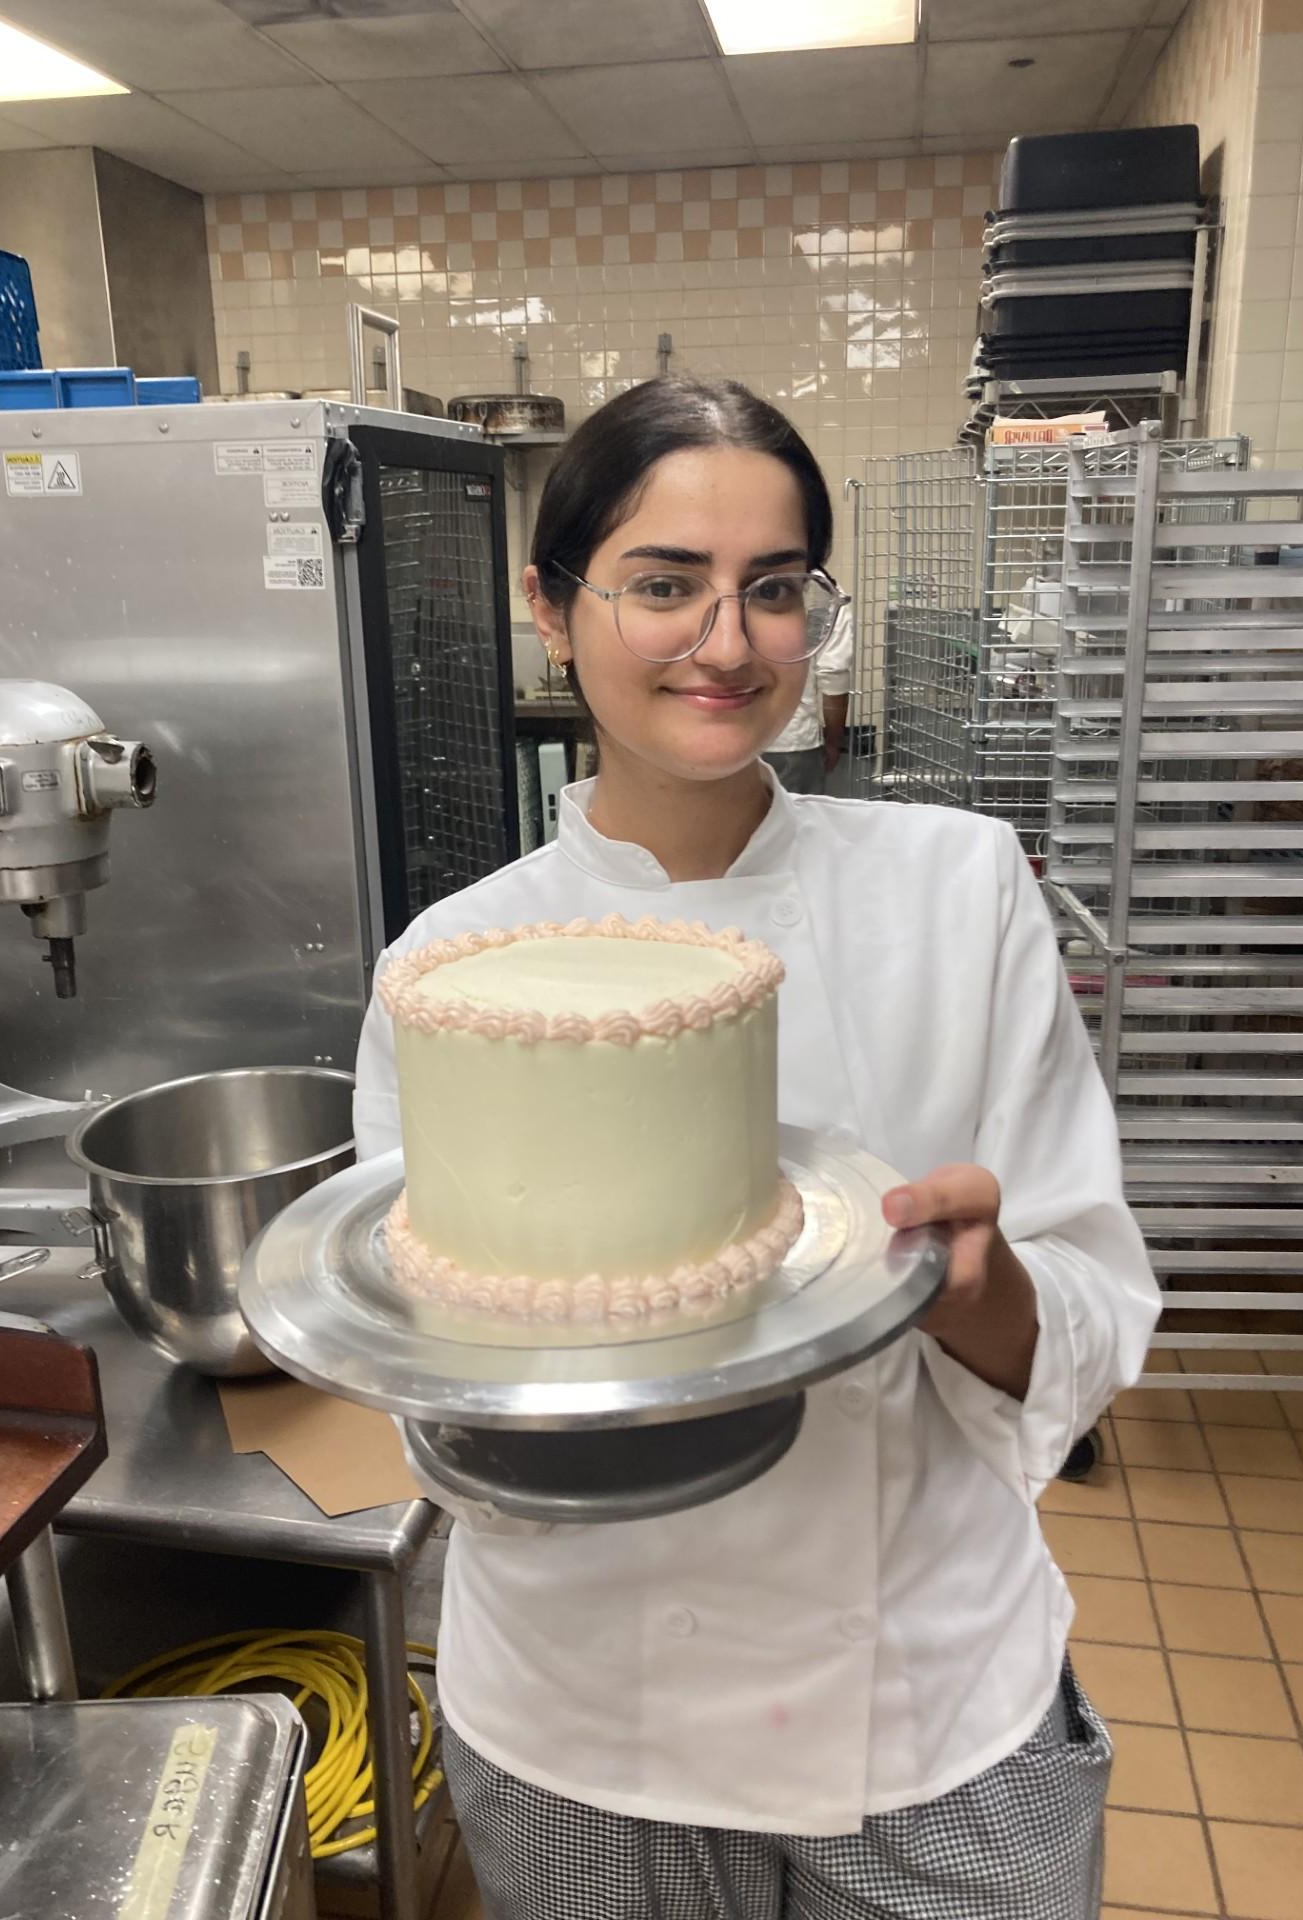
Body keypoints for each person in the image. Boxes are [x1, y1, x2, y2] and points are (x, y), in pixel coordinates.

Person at [354, 375, 1158, 1920]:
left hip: (930, 1697)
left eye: (774, 592)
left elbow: (1093, 1301)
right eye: (665, 584)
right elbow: (439, 1382)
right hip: (593, 1716)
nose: (728, 644)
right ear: (551, 604)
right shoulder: (457, 971)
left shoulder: (962, 887)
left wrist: (971, 1286)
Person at [762, 602, 853, 795]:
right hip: (793, 740)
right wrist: (834, 741)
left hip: (729, 738)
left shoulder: (735, 581)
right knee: (794, 820)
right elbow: (833, 675)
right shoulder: (826, 596)